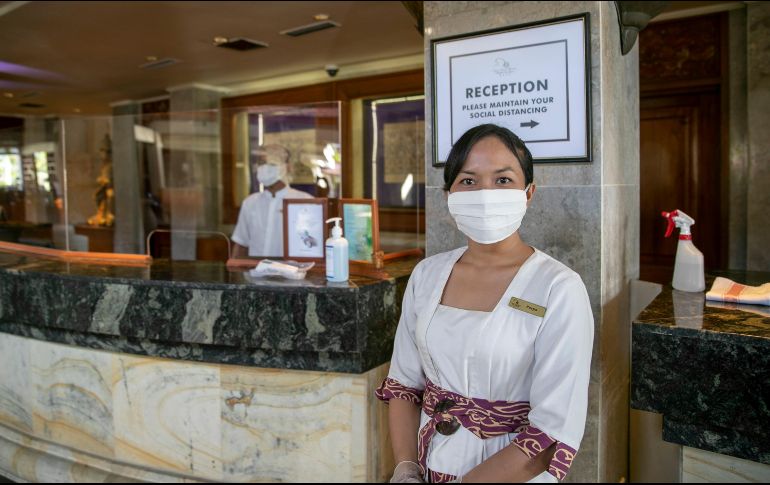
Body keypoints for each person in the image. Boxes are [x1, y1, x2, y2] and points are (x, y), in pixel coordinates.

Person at [376, 124, 594, 483]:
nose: (486, 193)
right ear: (449, 195)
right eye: (469, 181)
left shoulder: (558, 287)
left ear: (529, 193)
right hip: (431, 465)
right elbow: (404, 383)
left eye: (503, 180)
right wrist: (405, 468)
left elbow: (553, 429)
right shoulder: (427, 275)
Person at [231, 144, 312, 258]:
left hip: (291, 273)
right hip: (256, 273)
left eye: (271, 163)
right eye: (261, 163)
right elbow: (241, 244)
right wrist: (234, 273)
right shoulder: (250, 203)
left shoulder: (305, 201)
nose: (264, 167)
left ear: (287, 167)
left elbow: (312, 246)